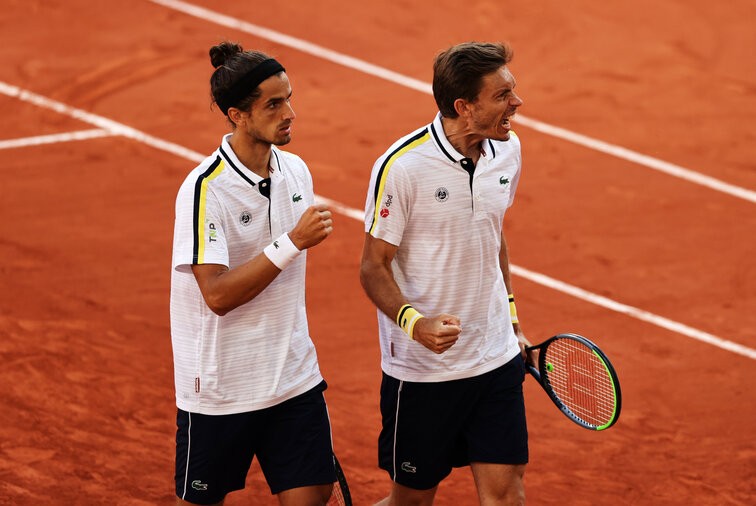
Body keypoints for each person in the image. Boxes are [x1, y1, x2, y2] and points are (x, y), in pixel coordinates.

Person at [360, 41, 533, 505]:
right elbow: (372, 267)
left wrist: (511, 322)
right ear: (464, 106)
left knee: (507, 493)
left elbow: (493, 236)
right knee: (411, 501)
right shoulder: (402, 167)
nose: (516, 103)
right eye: (502, 96)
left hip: (495, 359)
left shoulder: (507, 150)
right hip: (423, 373)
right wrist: (416, 324)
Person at [170, 41, 335, 505]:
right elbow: (217, 296)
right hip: (222, 390)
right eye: (274, 104)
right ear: (237, 114)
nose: (289, 113)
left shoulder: (296, 172)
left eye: (289, 98)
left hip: (292, 380)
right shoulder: (204, 191)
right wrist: (291, 243)